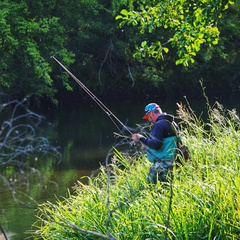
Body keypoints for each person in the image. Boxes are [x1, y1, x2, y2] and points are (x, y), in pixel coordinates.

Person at [131, 103, 179, 183]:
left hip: (161, 166)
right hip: (171, 164)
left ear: (151, 114)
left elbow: (155, 145)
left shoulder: (159, 124)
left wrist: (140, 138)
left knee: (152, 189)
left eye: (148, 117)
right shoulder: (172, 123)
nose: (149, 120)